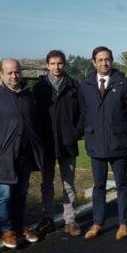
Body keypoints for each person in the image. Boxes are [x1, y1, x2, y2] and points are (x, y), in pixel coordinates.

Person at [0, 58, 45, 249]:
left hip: (25, 157)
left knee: (21, 194)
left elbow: (35, 123)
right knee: (4, 196)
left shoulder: (28, 96)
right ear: (1, 74)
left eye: (17, 72)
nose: (14, 76)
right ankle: (7, 230)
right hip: (2, 158)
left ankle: (21, 226)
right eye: (9, 73)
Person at [79, 46, 127, 241]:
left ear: (112, 61)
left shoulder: (123, 82)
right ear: (93, 62)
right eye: (100, 60)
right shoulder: (85, 85)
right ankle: (98, 223)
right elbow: (83, 112)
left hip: (118, 143)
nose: (104, 63)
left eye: (107, 59)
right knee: (99, 186)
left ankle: (123, 223)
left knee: (121, 185)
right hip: (95, 143)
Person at [33, 50, 82, 237]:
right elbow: (33, 115)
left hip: (67, 143)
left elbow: (82, 114)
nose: (56, 67)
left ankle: (70, 220)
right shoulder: (39, 88)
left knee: (68, 183)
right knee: (46, 183)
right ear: (47, 65)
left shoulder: (73, 87)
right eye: (53, 63)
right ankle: (48, 218)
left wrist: (75, 133)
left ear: (65, 64)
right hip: (46, 144)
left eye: (60, 63)